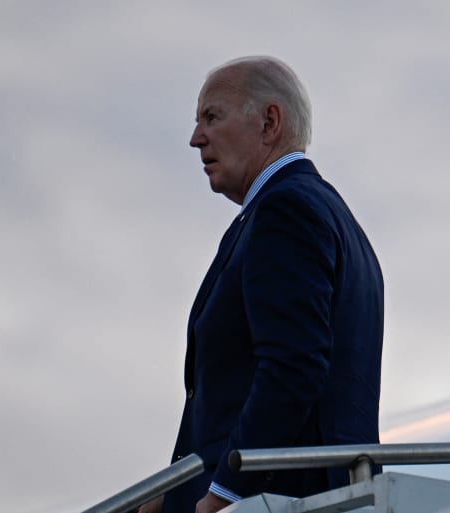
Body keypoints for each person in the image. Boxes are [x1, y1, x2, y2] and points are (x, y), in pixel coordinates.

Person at [141, 56, 384, 513]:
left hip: (277, 500)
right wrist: (170, 494)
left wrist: (225, 493)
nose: (196, 138)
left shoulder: (285, 211)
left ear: (269, 122)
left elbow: (292, 367)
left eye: (212, 117)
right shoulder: (328, 215)